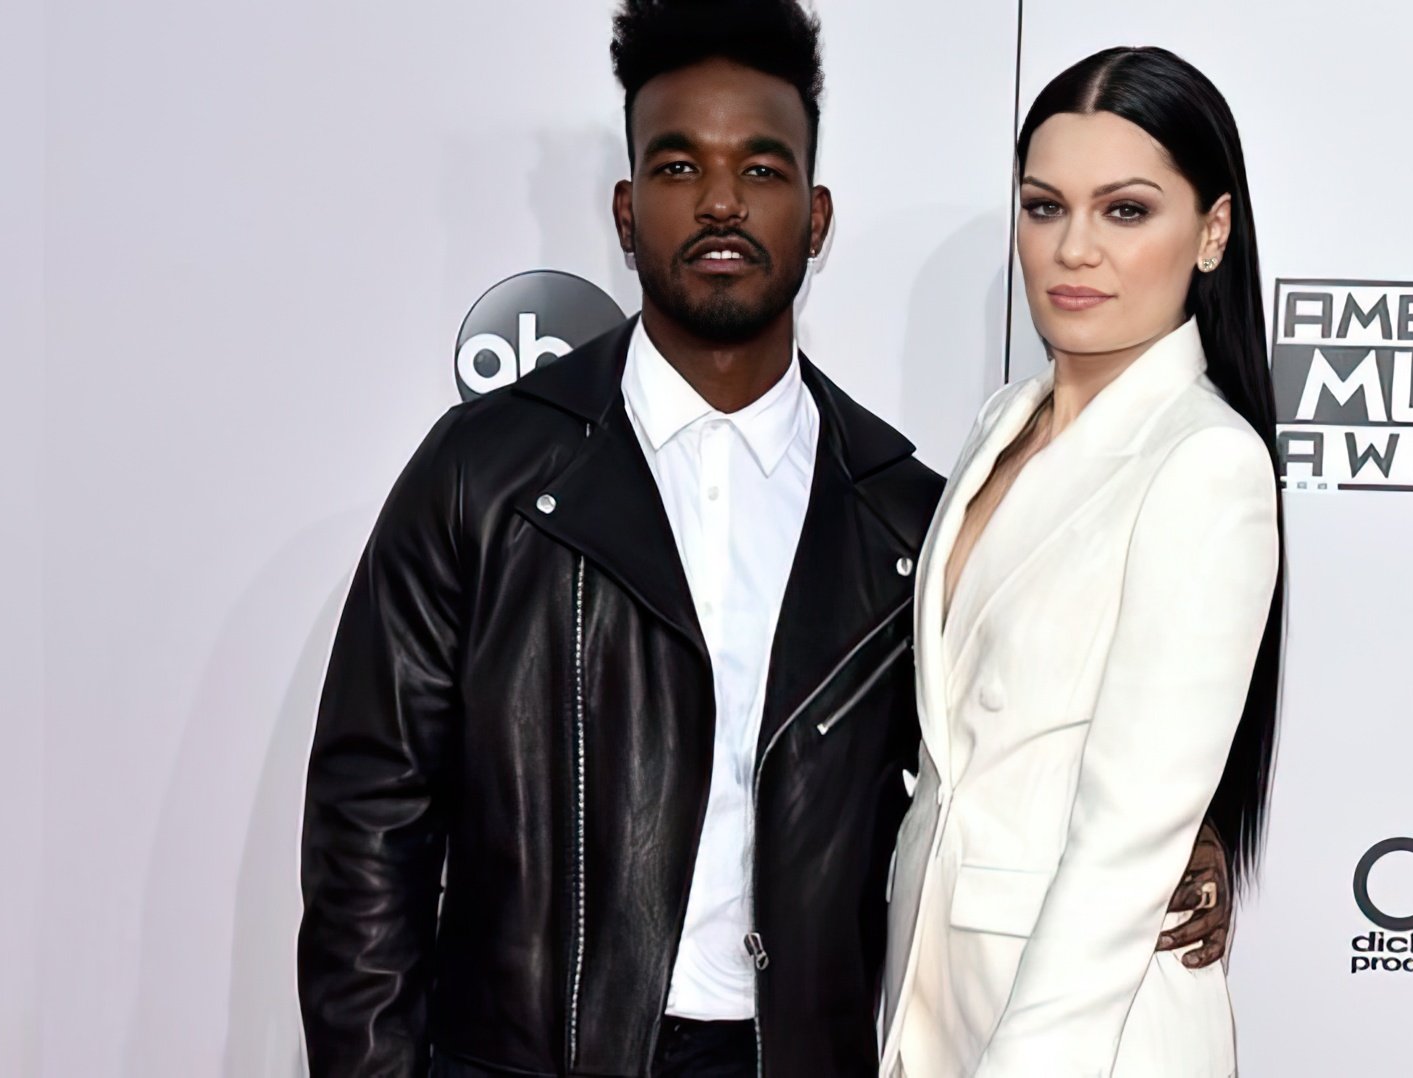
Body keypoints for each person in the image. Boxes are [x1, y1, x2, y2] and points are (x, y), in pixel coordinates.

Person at [298, 5, 1224, 1077]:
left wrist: (1174, 843)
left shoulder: (904, 518)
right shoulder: (484, 476)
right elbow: (370, 820)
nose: (722, 201)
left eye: (762, 169)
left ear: (816, 217)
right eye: (679, 166)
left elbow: (989, 767)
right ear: (626, 212)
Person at [879, 46, 1287, 1078]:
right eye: (1044, 206)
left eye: (1125, 211)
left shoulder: (1205, 462)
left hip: (1084, 1034)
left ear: (1213, 232)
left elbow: (1125, 842)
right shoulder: (1000, 425)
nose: (1073, 249)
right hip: (937, 1004)